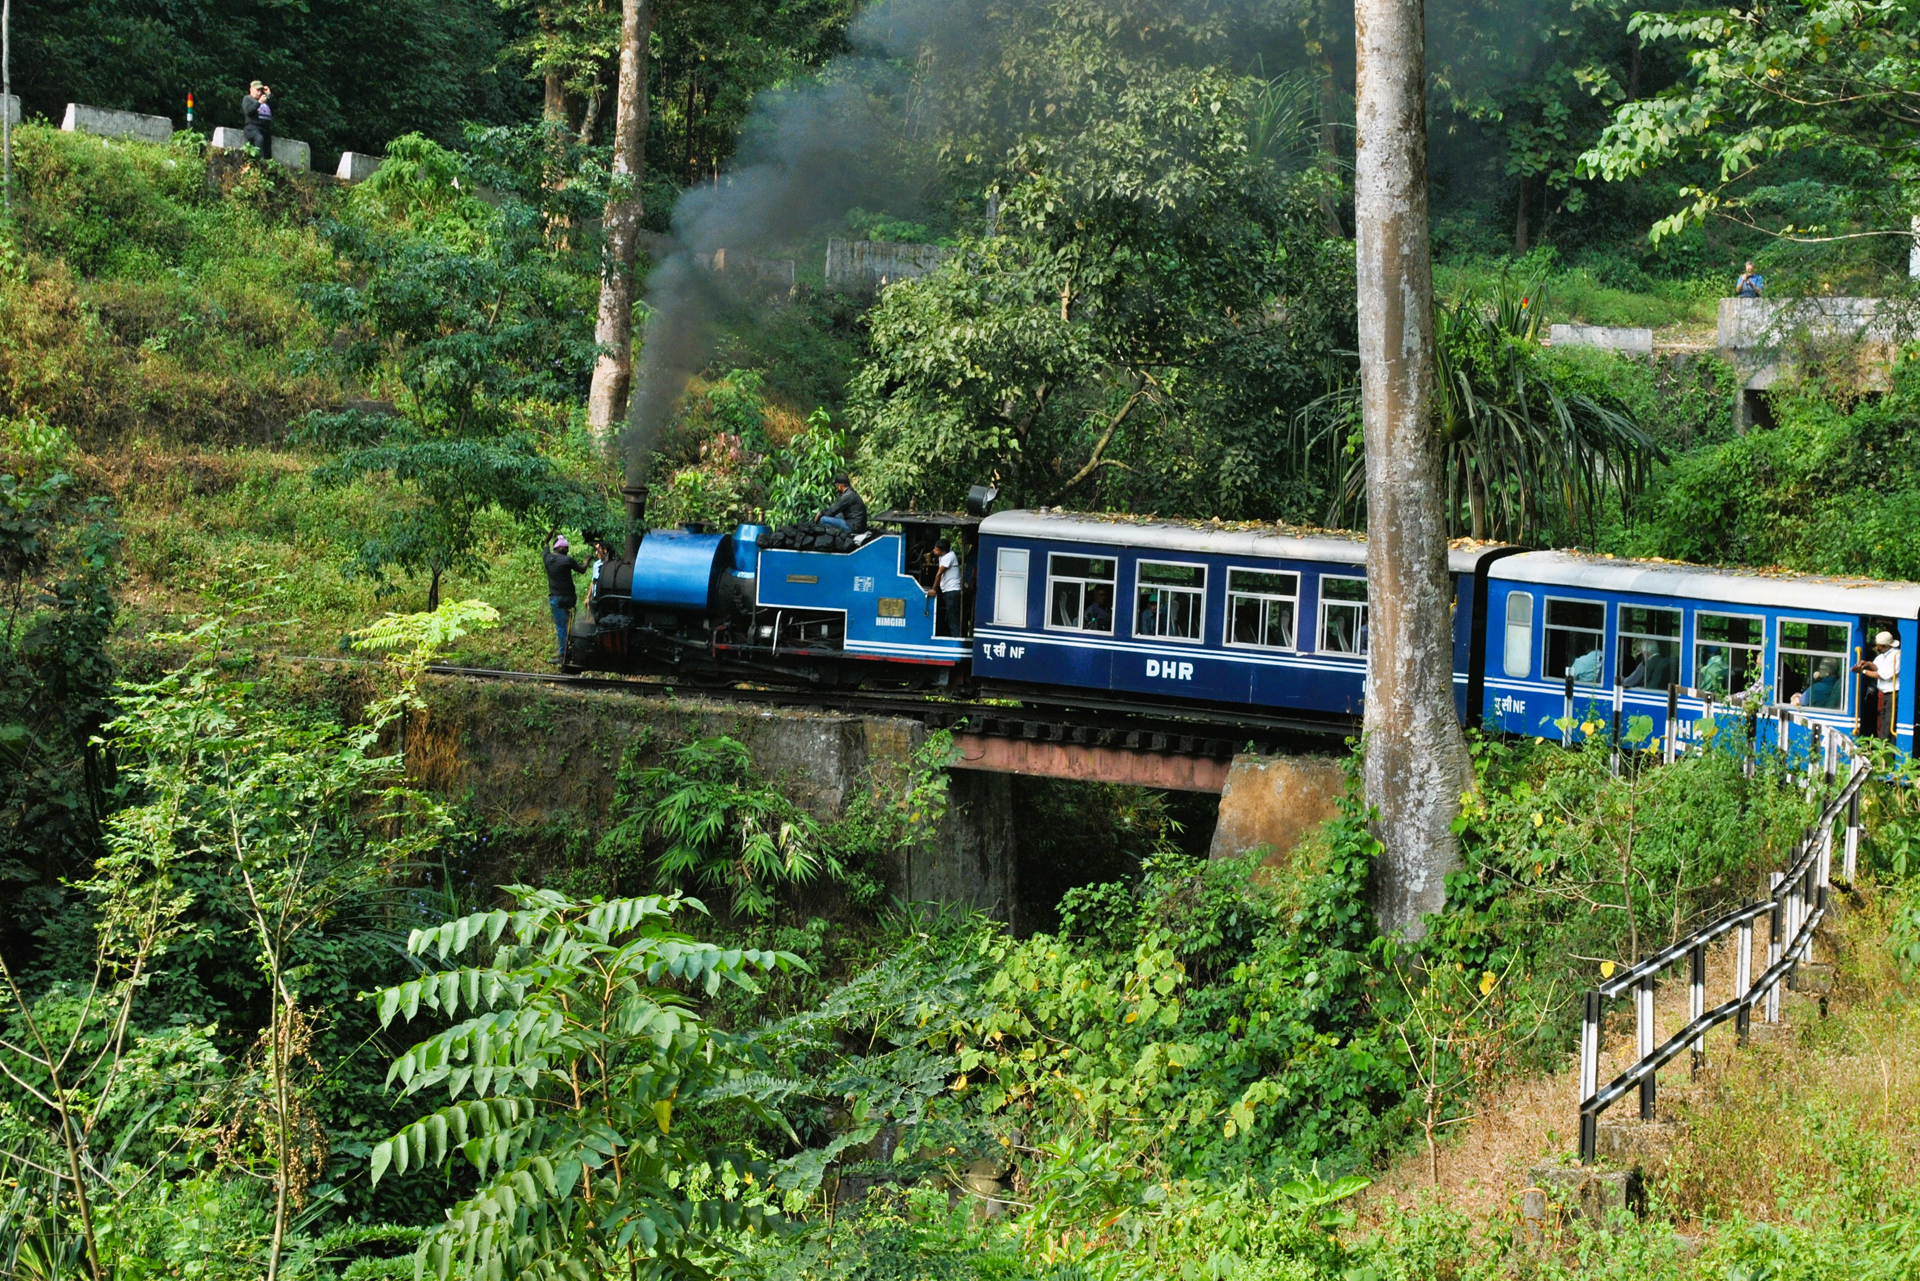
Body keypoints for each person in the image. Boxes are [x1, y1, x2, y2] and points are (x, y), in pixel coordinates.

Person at [543, 535, 585, 665]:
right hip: (570, 598)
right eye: (566, 547)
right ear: (560, 548)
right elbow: (582, 570)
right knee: (569, 626)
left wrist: (547, 539)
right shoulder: (568, 560)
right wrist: (587, 560)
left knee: (562, 627)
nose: (567, 549)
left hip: (557, 598)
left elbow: (545, 544)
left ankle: (563, 654)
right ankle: (571, 651)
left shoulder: (547, 558)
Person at [1854, 631, 1901, 738]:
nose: (1876, 647)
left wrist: (1863, 672)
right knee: (1882, 719)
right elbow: (1878, 667)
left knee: (1888, 724)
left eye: (1878, 646)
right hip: (1884, 694)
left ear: (1886, 646)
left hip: (1893, 695)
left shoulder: (1895, 656)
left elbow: (1882, 675)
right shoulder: (1884, 655)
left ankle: (1885, 750)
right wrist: (1868, 664)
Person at [924, 536, 964, 637]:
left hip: (952, 590)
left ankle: (956, 639)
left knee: (952, 618)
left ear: (943, 551)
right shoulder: (942, 557)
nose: (934, 551)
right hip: (947, 590)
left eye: (936, 550)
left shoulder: (949, 556)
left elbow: (939, 574)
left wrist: (934, 589)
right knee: (949, 617)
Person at [242, 81, 272, 159]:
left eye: (260, 90)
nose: (259, 92)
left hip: (265, 128)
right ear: (251, 89)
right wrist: (259, 102)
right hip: (252, 127)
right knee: (259, 138)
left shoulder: (265, 100)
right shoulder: (247, 99)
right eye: (257, 90)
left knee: (267, 148)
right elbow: (248, 111)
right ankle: (259, 161)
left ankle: (268, 168)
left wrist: (269, 94)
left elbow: (275, 106)